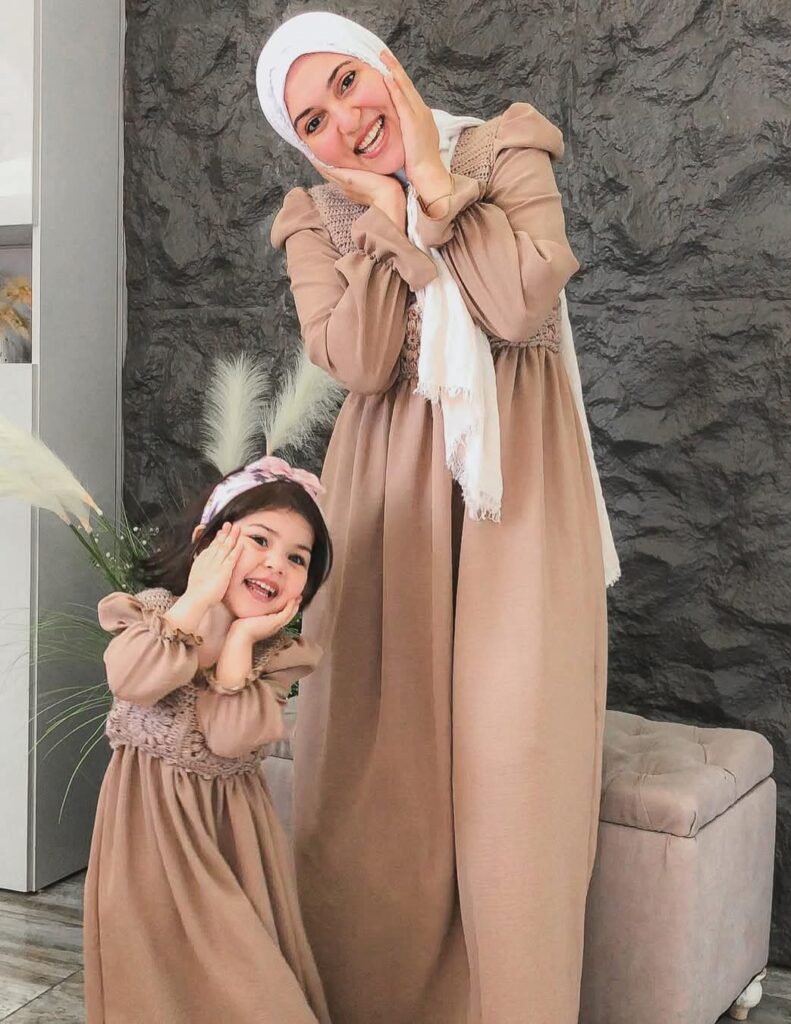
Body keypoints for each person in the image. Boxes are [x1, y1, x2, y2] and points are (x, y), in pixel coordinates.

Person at [257, 12, 619, 1024]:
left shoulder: (506, 150)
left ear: (384, 66)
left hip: (518, 500)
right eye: (310, 120)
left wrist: (431, 187)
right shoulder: (314, 220)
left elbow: (516, 306)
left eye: (345, 83)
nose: (342, 121)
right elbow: (365, 360)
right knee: (380, 766)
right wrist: (380, 215)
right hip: (388, 510)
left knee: (518, 766)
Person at [83, 456, 333, 1024]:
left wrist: (241, 644)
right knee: (158, 981)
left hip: (229, 838)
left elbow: (229, 737)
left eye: (298, 558)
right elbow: (132, 678)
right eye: (260, 540)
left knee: (251, 981)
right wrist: (196, 601)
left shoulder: (275, 658)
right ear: (207, 543)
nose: (276, 563)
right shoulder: (153, 616)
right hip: (147, 838)